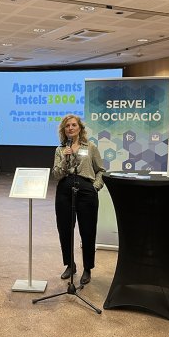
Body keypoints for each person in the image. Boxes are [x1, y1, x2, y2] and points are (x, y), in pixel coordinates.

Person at [52, 114, 105, 285]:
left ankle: (87, 268)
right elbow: (56, 174)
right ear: (64, 130)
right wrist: (64, 159)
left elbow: (101, 170)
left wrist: (95, 187)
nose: (70, 128)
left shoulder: (90, 147)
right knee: (65, 230)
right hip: (64, 191)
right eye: (67, 126)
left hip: (86, 191)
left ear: (80, 128)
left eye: (74, 125)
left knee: (87, 230)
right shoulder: (60, 149)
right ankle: (70, 265)